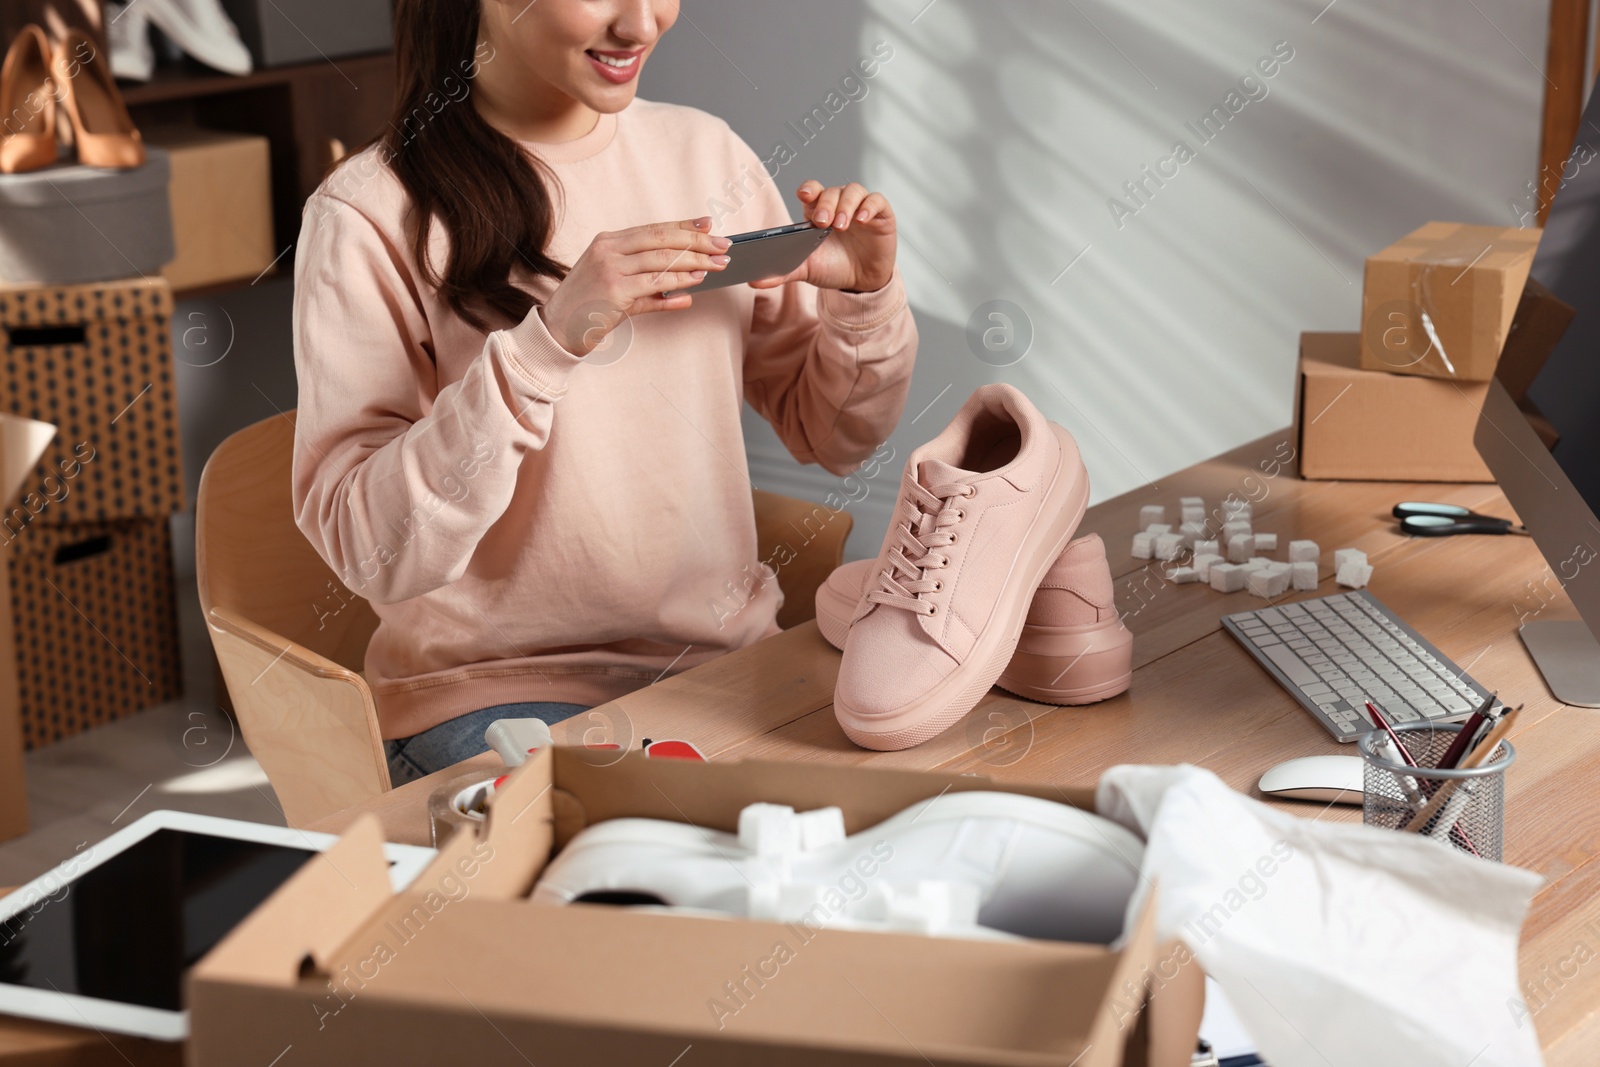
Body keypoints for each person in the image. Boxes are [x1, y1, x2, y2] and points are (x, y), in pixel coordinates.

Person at [290, 0, 917, 784]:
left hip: (724, 666)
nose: (643, 23)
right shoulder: (366, 212)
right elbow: (370, 547)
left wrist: (863, 299)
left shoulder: (703, 154)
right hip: (493, 698)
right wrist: (545, 345)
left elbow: (834, 437)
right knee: (664, 878)